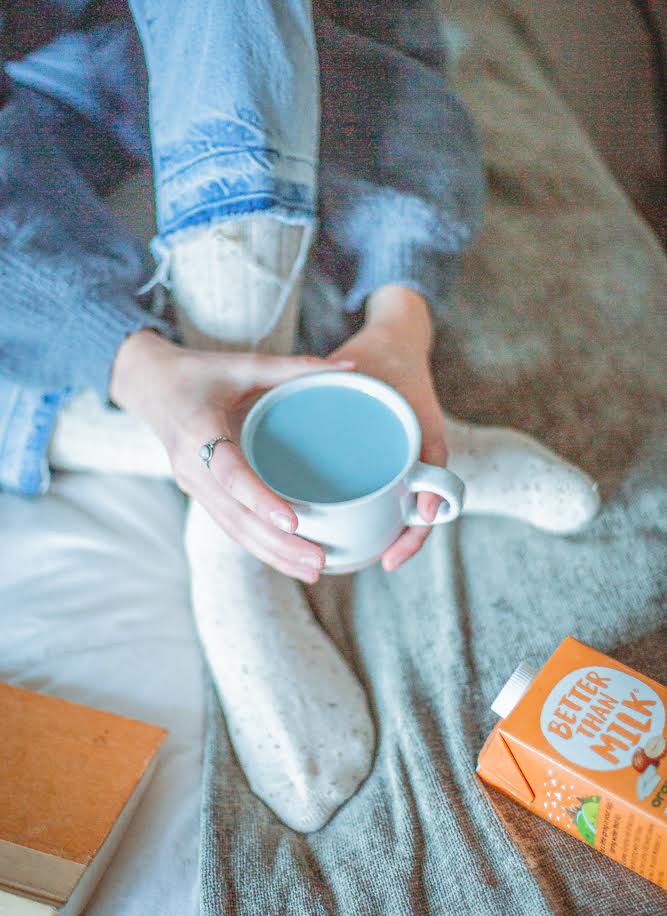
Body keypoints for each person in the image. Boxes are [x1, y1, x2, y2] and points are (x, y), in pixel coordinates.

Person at [0, 0, 599, 831]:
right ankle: (231, 530)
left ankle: (236, 474)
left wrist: (400, 316)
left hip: (237, 117)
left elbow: (384, 35)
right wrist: (134, 365)